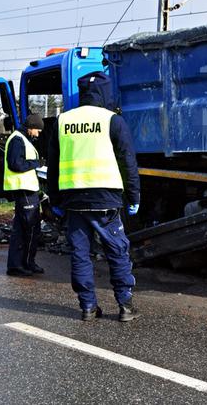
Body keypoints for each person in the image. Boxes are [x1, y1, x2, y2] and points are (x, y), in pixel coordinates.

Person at [47, 71, 140, 322]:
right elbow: (127, 163)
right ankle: (125, 306)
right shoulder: (113, 120)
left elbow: (53, 165)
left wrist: (55, 200)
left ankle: (88, 306)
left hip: (74, 201)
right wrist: (134, 197)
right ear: (105, 93)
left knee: (80, 254)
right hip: (106, 199)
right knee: (117, 251)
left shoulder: (63, 121)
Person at [4, 113, 45, 277]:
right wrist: (36, 164)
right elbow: (15, 164)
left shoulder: (22, 138)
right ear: (31, 128)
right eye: (38, 130)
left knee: (23, 228)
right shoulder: (17, 140)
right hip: (23, 189)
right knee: (29, 227)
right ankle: (20, 264)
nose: (39, 133)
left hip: (28, 189)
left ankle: (25, 263)